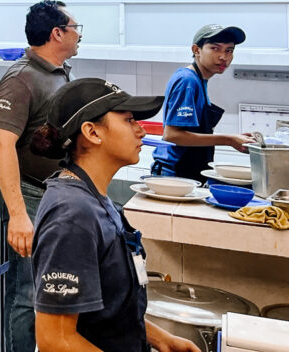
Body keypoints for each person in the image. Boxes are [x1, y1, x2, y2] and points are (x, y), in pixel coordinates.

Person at [29, 78, 197, 352]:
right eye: (129, 120)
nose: (140, 130)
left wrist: (160, 339)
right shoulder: (71, 215)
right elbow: (55, 340)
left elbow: (107, 308)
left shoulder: (96, 198)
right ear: (93, 133)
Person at [0, 0, 80, 352]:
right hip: (29, 197)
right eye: (76, 29)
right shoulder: (22, 77)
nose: (78, 36)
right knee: (27, 292)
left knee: (48, 289)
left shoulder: (57, 72)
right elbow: (1, 143)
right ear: (57, 33)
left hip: (54, 196)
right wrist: (17, 215)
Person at [151, 24, 254, 181]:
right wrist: (229, 140)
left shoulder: (199, 80)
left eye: (229, 50)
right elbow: (172, 135)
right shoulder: (188, 81)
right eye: (215, 48)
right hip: (174, 173)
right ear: (196, 50)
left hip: (187, 169)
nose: (223, 57)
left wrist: (235, 137)